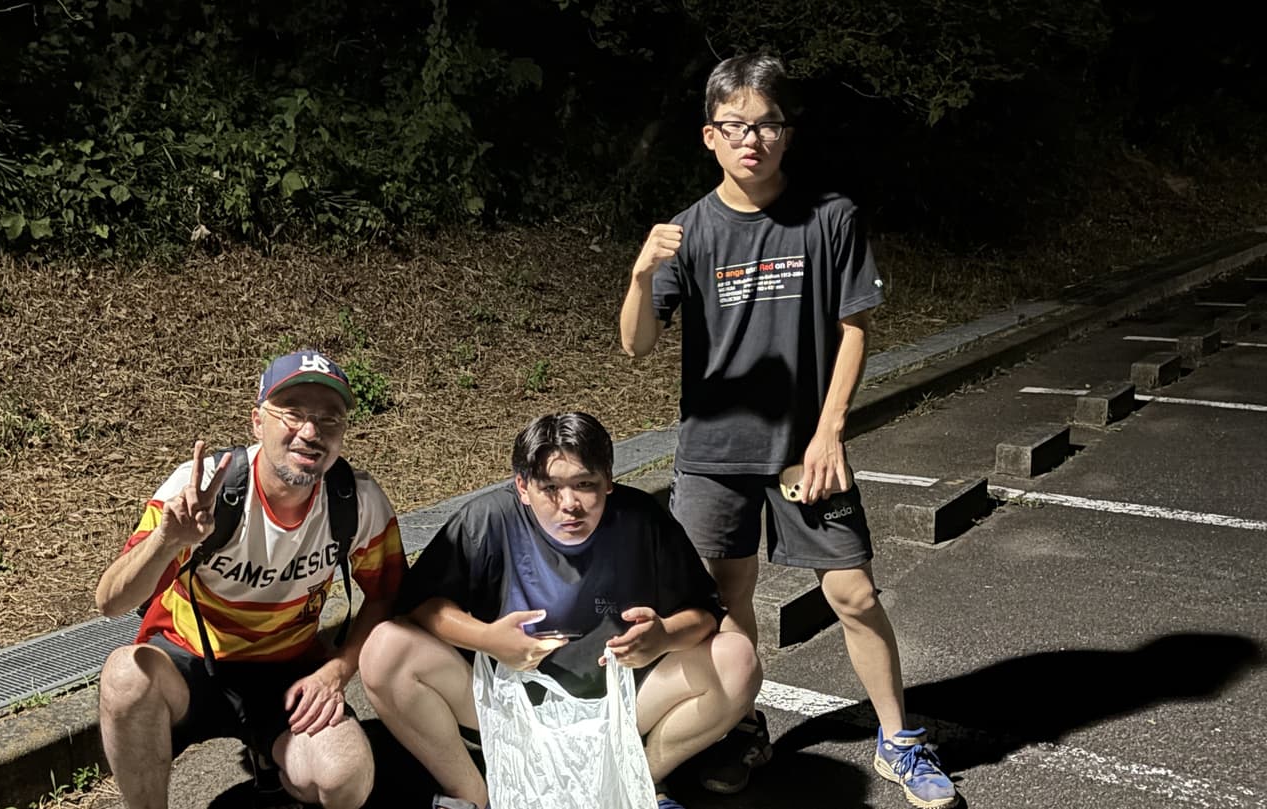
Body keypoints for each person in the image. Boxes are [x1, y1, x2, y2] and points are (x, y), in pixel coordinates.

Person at [617, 54, 958, 809]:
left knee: (854, 593)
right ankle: (742, 728)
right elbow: (636, 344)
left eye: (767, 123)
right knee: (725, 603)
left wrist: (830, 431)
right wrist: (641, 274)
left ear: (786, 132)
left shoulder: (829, 217)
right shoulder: (689, 230)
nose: (753, 138)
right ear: (710, 135)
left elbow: (854, 328)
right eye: (735, 125)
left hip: (806, 451)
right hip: (713, 454)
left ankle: (899, 740)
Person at [359, 411, 761, 809]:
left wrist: (664, 636)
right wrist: (488, 639)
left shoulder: (641, 520)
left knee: (736, 658)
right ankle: (472, 794)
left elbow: (704, 612)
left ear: (608, 480)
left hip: (619, 707)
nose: (569, 504)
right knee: (386, 649)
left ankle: (636, 783)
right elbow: (422, 605)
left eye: (585, 484)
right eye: (550, 487)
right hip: (506, 705)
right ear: (522, 486)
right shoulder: (488, 519)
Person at [94, 349, 407, 809]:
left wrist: (338, 671)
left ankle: (270, 749)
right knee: (124, 676)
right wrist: (166, 540)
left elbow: (387, 595)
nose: (311, 432)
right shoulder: (203, 489)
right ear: (257, 421)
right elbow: (110, 602)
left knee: (347, 778)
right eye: (293, 413)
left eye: (329, 419)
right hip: (189, 660)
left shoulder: (355, 499)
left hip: (288, 669)